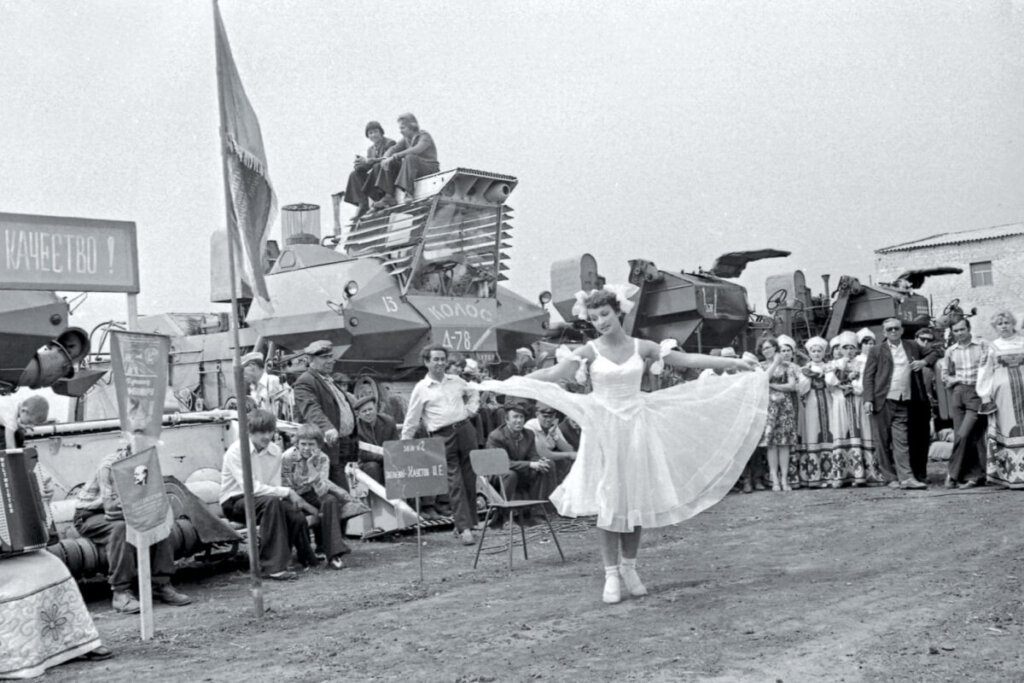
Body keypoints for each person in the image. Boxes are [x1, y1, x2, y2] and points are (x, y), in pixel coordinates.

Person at [476, 286, 767, 604]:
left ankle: (630, 568)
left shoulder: (642, 346)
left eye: (605, 314)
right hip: (604, 432)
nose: (601, 322)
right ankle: (611, 574)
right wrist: (502, 383)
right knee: (609, 503)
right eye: (594, 318)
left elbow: (686, 359)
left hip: (636, 428)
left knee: (634, 501)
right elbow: (552, 372)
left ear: (618, 312)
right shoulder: (589, 351)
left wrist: (733, 364)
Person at [73, 446, 193, 612]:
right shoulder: (110, 465)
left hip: (127, 509)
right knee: (122, 529)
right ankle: (120, 592)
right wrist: (137, 512)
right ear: (129, 447)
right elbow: (110, 509)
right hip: (91, 514)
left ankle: (161, 584)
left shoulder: (145, 463)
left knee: (158, 519)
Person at [219, 409, 318, 580]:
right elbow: (250, 488)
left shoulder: (275, 451)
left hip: (265, 498)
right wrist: (288, 492)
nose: (266, 436)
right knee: (273, 503)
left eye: (269, 432)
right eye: (260, 432)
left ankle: (305, 557)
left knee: (293, 512)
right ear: (250, 432)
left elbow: (274, 485)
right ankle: (271, 567)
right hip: (235, 501)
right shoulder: (237, 451)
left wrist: (286, 498)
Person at [402, 344, 480, 545]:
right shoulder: (421, 388)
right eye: (435, 359)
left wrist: (471, 410)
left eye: (442, 359)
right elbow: (412, 419)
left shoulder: (456, 381)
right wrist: (404, 443)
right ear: (426, 362)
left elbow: (474, 392)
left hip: (465, 430)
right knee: (454, 482)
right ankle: (464, 528)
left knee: (470, 478)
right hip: (442, 436)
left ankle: (469, 522)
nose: (440, 363)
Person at [862, 318, 937, 490]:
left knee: (901, 441)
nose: (893, 331)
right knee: (882, 441)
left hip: (904, 400)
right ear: (884, 332)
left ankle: (906, 478)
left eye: (896, 328)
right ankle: (890, 477)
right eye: (889, 329)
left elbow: (935, 351)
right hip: (882, 401)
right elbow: (868, 376)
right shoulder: (876, 350)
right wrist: (868, 399)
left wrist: (923, 362)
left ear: (902, 330)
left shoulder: (912, 346)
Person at [282, 424, 365, 570]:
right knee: (298, 511)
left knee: (330, 501)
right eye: (303, 444)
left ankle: (333, 554)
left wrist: (311, 466)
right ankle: (307, 554)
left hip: (312, 493)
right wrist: (311, 509)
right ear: (297, 444)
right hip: (292, 496)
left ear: (319, 445)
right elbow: (286, 487)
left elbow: (321, 490)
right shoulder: (288, 457)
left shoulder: (322, 459)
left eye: (311, 444)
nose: (306, 448)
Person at [293, 340, 358, 490]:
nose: (330, 361)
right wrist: (327, 428)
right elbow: (311, 409)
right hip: (327, 445)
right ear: (310, 360)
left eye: (331, 356)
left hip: (343, 442)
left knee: (342, 487)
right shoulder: (305, 381)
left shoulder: (328, 379)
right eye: (324, 357)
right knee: (337, 490)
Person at [484, 401, 558, 524]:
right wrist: (531, 464)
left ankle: (539, 512)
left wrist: (540, 462)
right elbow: (502, 463)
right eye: (515, 417)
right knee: (511, 474)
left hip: (521, 471)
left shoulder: (528, 434)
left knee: (549, 465)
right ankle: (502, 515)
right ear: (507, 420)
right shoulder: (496, 436)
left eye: (521, 417)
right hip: (499, 474)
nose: (519, 421)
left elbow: (533, 455)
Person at [939, 316, 989, 489]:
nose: (959, 333)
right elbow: (944, 375)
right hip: (958, 393)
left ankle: (952, 474)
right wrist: (955, 380)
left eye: (962, 329)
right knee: (966, 436)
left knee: (964, 434)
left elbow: (990, 368)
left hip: (976, 392)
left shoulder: (982, 345)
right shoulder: (951, 351)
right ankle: (974, 476)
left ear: (969, 329)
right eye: (956, 331)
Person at [977, 310, 1024, 488]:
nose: (1004, 326)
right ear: (995, 327)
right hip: (1003, 398)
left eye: (1007, 323)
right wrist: (985, 396)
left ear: (1013, 324)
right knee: (1007, 430)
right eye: (1000, 324)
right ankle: (1009, 475)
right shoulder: (992, 347)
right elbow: (985, 372)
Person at [825, 331, 874, 486]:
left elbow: (864, 382)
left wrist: (853, 385)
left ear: (856, 349)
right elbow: (830, 380)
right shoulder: (834, 363)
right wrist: (843, 376)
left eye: (851, 347)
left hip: (857, 400)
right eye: (845, 348)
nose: (848, 351)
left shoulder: (862, 362)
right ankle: (842, 474)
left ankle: (861, 474)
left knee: (860, 431)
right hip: (840, 400)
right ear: (840, 349)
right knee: (842, 431)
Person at [373, 113, 440, 209]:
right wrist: (386, 158)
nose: (400, 131)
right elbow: (393, 148)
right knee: (392, 163)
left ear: (411, 126)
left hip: (429, 168)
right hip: (414, 169)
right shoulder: (406, 139)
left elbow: (416, 150)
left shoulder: (424, 136)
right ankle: (389, 196)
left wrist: (394, 157)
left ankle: (409, 193)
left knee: (410, 157)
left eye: (403, 128)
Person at [759, 337, 800, 492]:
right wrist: (775, 363)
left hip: (785, 406)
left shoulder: (787, 366)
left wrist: (772, 385)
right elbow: (762, 380)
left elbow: (791, 386)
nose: (767, 351)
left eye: (769, 347)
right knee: (771, 444)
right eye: (764, 349)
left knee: (784, 443)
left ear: (775, 348)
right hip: (769, 407)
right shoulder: (760, 366)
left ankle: (784, 478)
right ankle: (774, 478)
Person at [796, 337, 834, 489]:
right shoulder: (804, 369)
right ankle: (813, 475)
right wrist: (808, 376)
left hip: (828, 400)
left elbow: (833, 385)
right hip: (811, 401)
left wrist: (827, 374)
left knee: (829, 432)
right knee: (813, 432)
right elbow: (802, 389)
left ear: (824, 353)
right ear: (809, 353)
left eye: (819, 351)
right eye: (814, 351)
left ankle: (831, 475)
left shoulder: (829, 367)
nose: (817, 354)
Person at [343, 120, 398, 219]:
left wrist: (369, 161)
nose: (373, 135)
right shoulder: (370, 149)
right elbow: (369, 165)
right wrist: (360, 165)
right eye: (370, 133)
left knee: (378, 166)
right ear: (368, 136)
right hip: (377, 179)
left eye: (376, 132)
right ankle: (362, 204)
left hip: (390, 178)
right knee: (354, 174)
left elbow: (387, 160)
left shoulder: (390, 143)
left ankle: (387, 197)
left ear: (381, 132)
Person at [524, 402, 576, 485]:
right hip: (532, 460)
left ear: (554, 416)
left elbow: (569, 449)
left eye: (551, 417)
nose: (548, 420)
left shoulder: (553, 426)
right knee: (549, 463)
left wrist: (554, 435)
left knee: (566, 461)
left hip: (548, 457)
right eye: (545, 416)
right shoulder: (530, 426)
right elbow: (544, 454)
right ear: (537, 414)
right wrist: (568, 455)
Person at [354, 395, 399, 488]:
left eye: (370, 409)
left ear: (376, 408)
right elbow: (361, 454)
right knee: (373, 467)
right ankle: (374, 495)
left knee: (396, 463)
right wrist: (383, 456)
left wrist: (389, 457)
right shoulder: (356, 428)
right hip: (366, 463)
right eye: (364, 411)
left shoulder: (388, 422)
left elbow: (395, 443)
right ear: (359, 415)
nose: (368, 413)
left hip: (389, 458)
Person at [241, 351, 289, 419]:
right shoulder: (252, 387)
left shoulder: (273, 381)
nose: (242, 375)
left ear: (252, 365)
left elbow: (290, 407)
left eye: (242, 371)